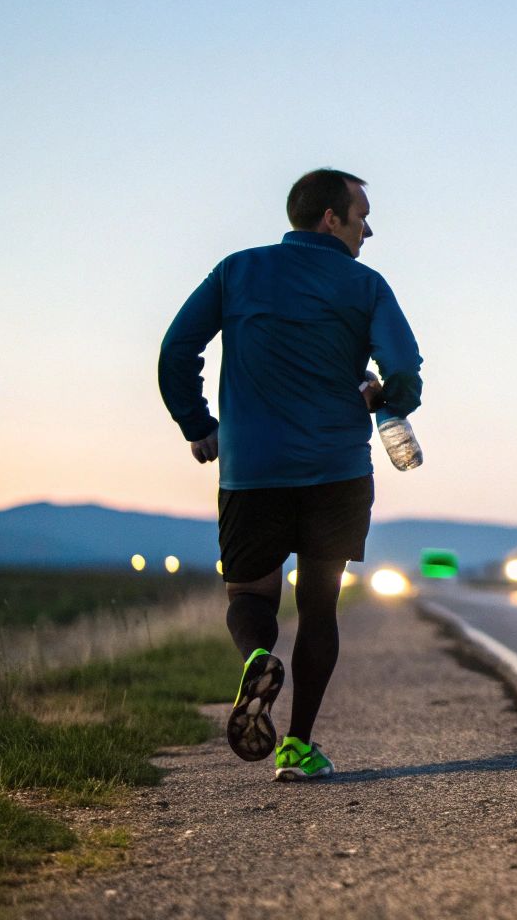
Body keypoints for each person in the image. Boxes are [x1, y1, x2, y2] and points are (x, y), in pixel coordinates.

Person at [158, 169, 422, 781]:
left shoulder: (237, 271)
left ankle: (256, 656)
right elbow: (404, 367)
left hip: (253, 470)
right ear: (331, 218)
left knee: (251, 596)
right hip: (336, 471)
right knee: (319, 606)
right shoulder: (366, 285)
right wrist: (388, 397)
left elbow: (176, 350)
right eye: (361, 216)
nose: (368, 230)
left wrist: (198, 423)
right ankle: (297, 748)